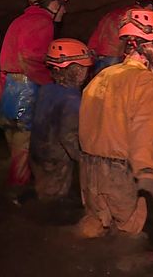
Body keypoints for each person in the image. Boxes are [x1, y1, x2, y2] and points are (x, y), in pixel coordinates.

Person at [76, 7, 153, 238]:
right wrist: (145, 170)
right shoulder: (145, 80)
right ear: (150, 45)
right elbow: (143, 129)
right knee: (130, 231)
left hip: (88, 167)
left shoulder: (103, 75)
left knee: (94, 226)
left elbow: (85, 124)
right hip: (117, 170)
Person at [0, 0, 67, 193]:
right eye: (62, 4)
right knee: (26, 150)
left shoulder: (18, 21)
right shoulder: (42, 21)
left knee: (16, 150)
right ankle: (20, 197)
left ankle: (18, 193)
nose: (64, 9)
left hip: (9, 90)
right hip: (26, 90)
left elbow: (7, 64)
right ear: (52, 3)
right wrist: (53, 84)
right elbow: (29, 58)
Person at [29, 38, 93, 201]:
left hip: (36, 154)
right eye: (86, 68)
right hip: (56, 160)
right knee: (54, 197)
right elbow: (69, 137)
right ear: (78, 71)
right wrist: (87, 161)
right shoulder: (72, 100)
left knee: (41, 189)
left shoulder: (46, 89)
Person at [87, 0, 153, 75]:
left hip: (99, 59)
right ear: (151, 6)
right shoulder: (140, 21)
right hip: (116, 61)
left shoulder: (114, 13)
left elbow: (95, 38)